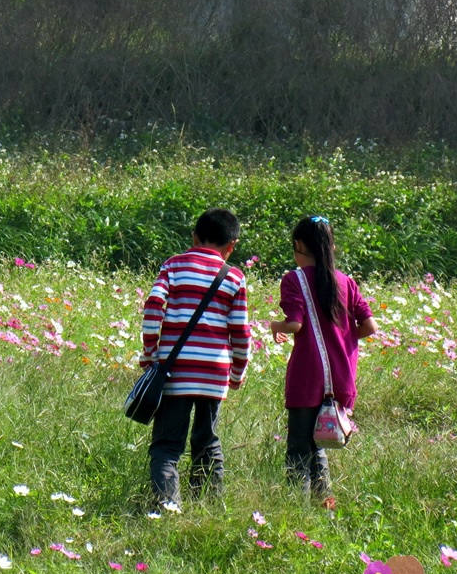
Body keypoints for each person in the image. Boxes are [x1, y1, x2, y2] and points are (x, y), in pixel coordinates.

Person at [140, 208, 251, 511]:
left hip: (175, 372)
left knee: (166, 445)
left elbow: (153, 306)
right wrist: (237, 373)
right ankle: (209, 506)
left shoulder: (174, 266)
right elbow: (241, 332)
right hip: (214, 373)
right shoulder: (234, 277)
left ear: (194, 237)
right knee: (208, 441)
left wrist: (150, 354)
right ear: (232, 245)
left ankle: (166, 505)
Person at [269, 215, 378, 509]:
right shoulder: (345, 282)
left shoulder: (295, 279)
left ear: (299, 245)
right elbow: (369, 328)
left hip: (308, 378)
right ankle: (325, 509)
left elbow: (295, 325)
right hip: (340, 379)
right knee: (319, 447)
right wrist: (341, 338)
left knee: (298, 450)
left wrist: (274, 326)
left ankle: (297, 511)